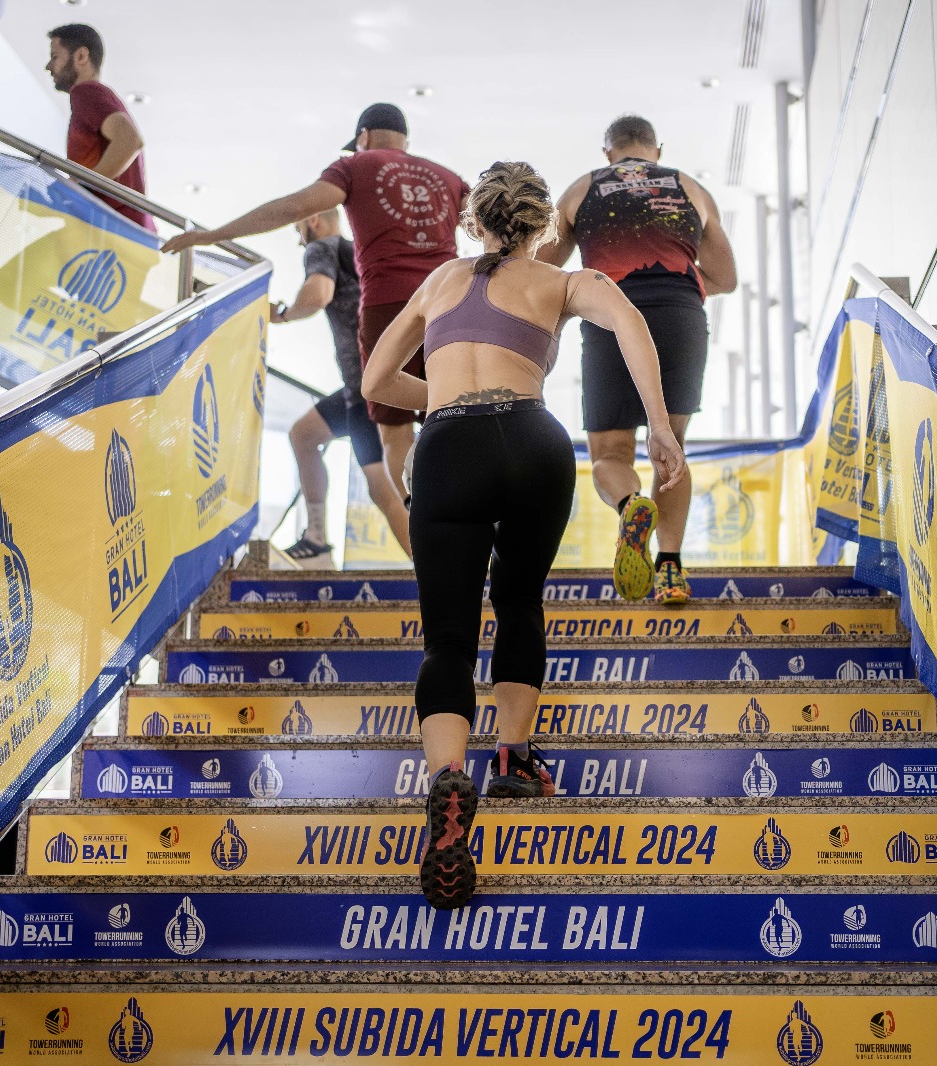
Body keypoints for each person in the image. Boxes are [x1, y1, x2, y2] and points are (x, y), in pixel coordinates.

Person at [362, 162, 686, 910]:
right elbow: (629, 322)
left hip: (446, 446)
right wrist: (660, 428)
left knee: (447, 637)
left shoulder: (439, 281)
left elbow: (378, 380)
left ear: (474, 223)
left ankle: (450, 778)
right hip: (534, 441)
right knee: (518, 599)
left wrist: (442, 398)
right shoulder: (560, 280)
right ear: (541, 227)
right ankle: (514, 754)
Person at [164, 103, 469, 494]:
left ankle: (428, 523)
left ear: (363, 138)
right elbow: (495, 228)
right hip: (452, 304)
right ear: (405, 140)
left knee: (395, 433)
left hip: (389, 311)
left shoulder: (353, 166)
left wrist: (210, 236)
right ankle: (474, 522)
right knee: (456, 415)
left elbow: (293, 207)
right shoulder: (447, 176)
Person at [539, 114, 736, 605]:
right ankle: (669, 569)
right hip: (681, 319)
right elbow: (725, 276)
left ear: (609, 152)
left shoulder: (583, 188)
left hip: (609, 314)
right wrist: (680, 292)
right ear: (657, 149)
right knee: (672, 448)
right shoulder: (690, 187)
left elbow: (541, 271)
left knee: (609, 453)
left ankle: (631, 505)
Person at [274, 209, 412, 564]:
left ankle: (438, 574)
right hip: (367, 382)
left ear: (314, 219)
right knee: (304, 435)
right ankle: (316, 537)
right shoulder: (356, 252)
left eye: (297, 228)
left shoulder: (323, 247)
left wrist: (284, 315)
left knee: (383, 487)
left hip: (367, 386)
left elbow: (318, 293)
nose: (298, 238)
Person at [46, 24, 154, 232]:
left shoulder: (86, 92)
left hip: (116, 231)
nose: (49, 66)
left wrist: (79, 189)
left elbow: (130, 141)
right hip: (126, 230)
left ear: (81, 56)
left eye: (55, 56)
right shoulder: (100, 97)